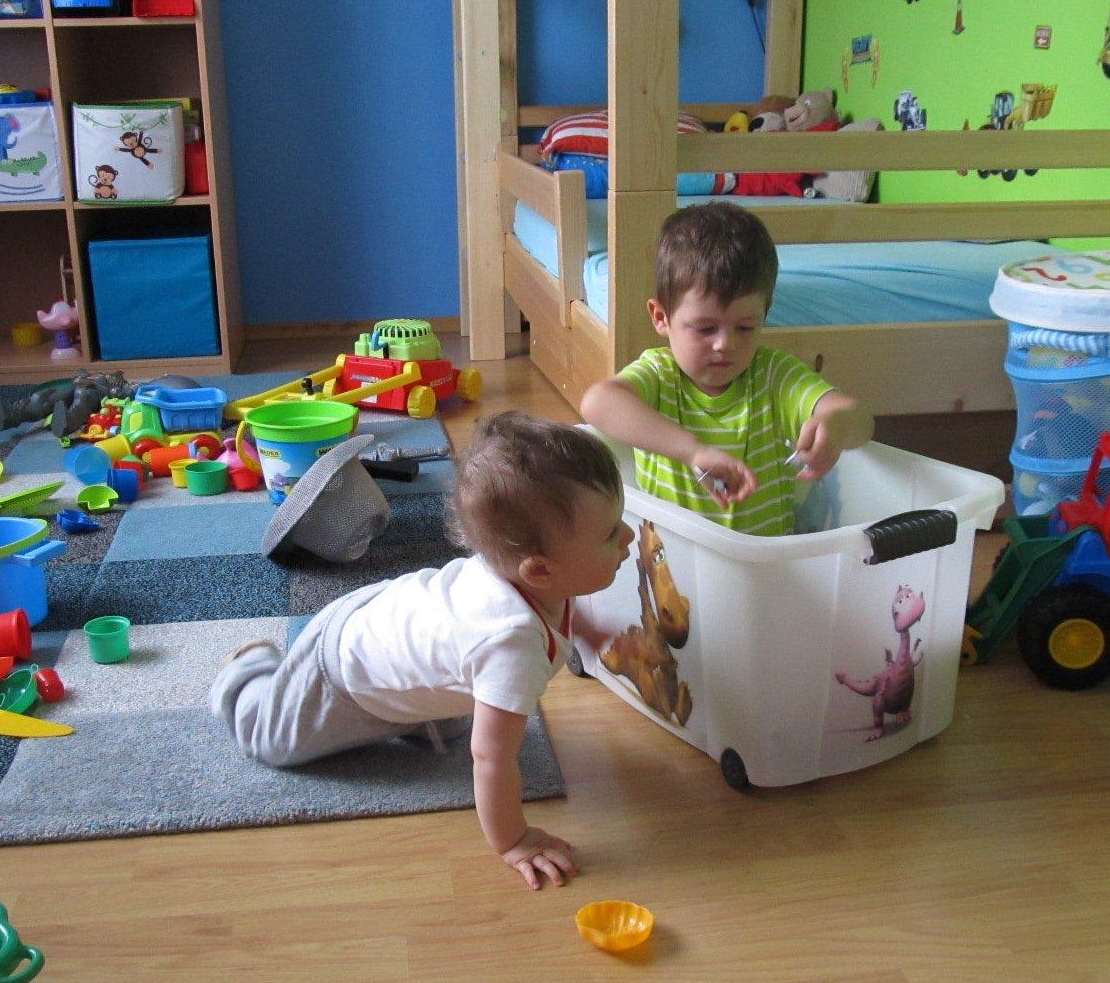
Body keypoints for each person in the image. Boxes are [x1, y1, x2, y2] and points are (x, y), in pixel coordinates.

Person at [210, 411, 633, 890]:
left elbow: (557, 614)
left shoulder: (537, 577)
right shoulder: (510, 644)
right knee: (271, 741)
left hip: (393, 626)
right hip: (343, 670)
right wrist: (514, 840)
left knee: (454, 722)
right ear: (539, 571)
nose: (629, 536)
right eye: (610, 535)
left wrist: (589, 633)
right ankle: (250, 668)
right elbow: (491, 759)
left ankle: (412, 711)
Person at [580, 202, 873, 537]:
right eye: (705, 328)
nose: (725, 344)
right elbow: (597, 403)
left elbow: (860, 420)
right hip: (672, 561)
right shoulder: (660, 375)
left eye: (745, 327)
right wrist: (694, 451)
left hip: (767, 561)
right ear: (661, 318)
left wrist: (834, 424)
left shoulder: (773, 375)